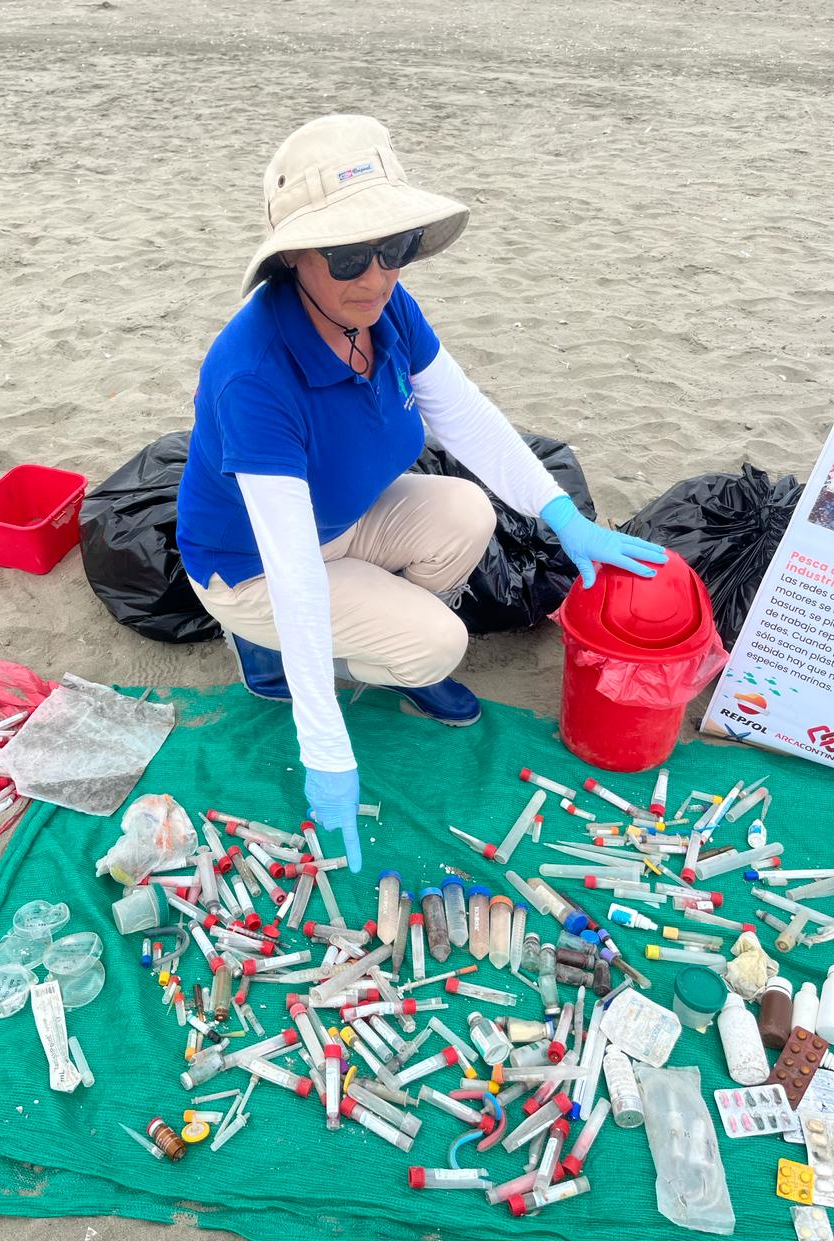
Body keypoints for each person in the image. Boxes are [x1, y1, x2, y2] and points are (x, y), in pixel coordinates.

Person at [176, 115, 666, 872]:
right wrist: (324, 747)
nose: (375, 276)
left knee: (468, 511)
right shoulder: (254, 371)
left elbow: (465, 415)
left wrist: (560, 513)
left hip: (342, 517)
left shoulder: (383, 309)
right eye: (346, 255)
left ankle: (380, 649)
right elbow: (296, 572)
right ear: (294, 258)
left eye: (393, 248)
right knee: (439, 642)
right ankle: (279, 647)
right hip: (254, 563)